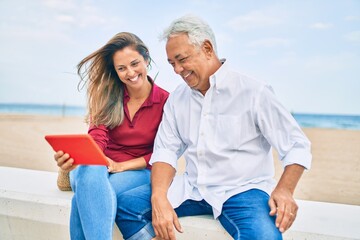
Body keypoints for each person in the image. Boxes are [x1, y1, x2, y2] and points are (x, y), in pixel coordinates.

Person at [116, 15, 312, 240]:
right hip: (192, 188)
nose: (177, 70)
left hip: (242, 191)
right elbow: (165, 151)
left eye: (182, 59)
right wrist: (159, 197)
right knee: (127, 206)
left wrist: (285, 190)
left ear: (207, 48)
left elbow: (296, 145)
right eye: (172, 63)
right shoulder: (178, 99)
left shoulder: (253, 92)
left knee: (265, 237)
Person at [54, 32, 169, 240]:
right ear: (115, 71)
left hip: (138, 170)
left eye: (135, 64)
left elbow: (163, 152)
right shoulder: (108, 96)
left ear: (147, 60)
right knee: (90, 172)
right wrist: (83, 158)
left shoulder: (166, 101)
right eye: (122, 68)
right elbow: (97, 137)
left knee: (86, 196)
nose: (130, 73)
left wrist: (122, 166)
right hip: (98, 166)